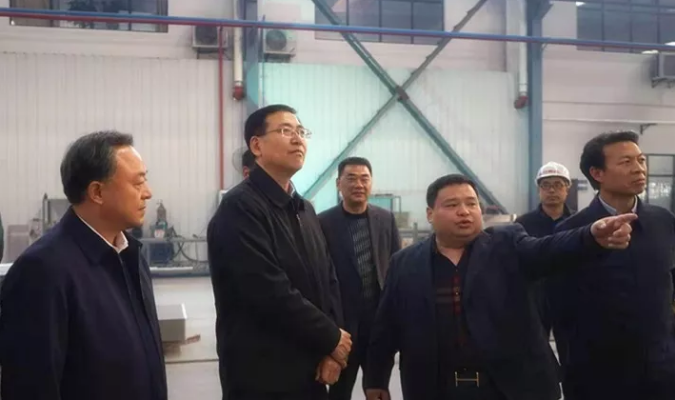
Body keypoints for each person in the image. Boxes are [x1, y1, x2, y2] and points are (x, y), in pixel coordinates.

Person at [364, 174, 636, 400]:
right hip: (435, 388)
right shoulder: (405, 262)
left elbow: (548, 249)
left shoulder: (508, 243)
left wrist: (590, 236)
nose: (464, 211)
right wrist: (375, 378)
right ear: (430, 214)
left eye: (471, 203)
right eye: (452, 204)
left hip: (509, 387)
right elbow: (387, 324)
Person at [0, 131, 166, 400]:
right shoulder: (42, 271)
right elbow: (30, 385)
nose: (148, 193)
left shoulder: (130, 255)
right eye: (138, 183)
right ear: (97, 192)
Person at [207, 104, 352, 400]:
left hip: (312, 371)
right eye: (286, 131)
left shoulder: (304, 209)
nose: (298, 139)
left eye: (301, 132)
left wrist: (332, 351)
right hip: (263, 377)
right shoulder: (240, 208)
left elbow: (329, 280)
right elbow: (267, 290)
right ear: (256, 146)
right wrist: (330, 337)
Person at [549, 131, 675, 400]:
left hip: (661, 372)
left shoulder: (663, 221)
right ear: (597, 173)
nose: (639, 168)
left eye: (641, 160)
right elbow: (559, 310)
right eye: (626, 162)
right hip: (598, 377)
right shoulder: (573, 232)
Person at [318, 157, 401, 400]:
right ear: (338, 184)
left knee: (378, 388)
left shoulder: (385, 219)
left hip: (378, 323)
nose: (358, 184)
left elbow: (397, 266)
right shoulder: (323, 222)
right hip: (342, 326)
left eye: (364, 179)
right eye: (351, 178)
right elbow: (319, 273)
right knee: (339, 390)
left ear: (371, 183)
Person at [515, 161, 572, 338]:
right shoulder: (523, 224)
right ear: (539, 190)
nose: (552, 190)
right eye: (545, 185)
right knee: (535, 345)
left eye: (558, 185)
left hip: (569, 295)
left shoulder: (578, 222)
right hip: (535, 295)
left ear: (567, 189)